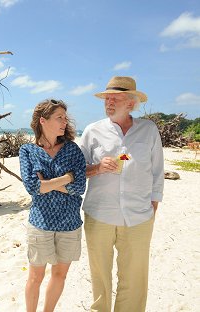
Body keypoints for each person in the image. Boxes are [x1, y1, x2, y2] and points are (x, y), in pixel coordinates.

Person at [79, 76, 164, 312]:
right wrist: (96, 168)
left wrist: (154, 204)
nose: (109, 102)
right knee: (100, 277)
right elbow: (76, 170)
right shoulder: (92, 131)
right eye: (107, 98)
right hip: (99, 214)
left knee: (135, 278)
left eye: (115, 98)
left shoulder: (148, 130)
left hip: (139, 216)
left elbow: (157, 170)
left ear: (131, 103)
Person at [19, 99, 86, 312]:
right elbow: (32, 187)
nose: (64, 122)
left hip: (70, 223)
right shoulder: (27, 151)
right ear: (43, 120)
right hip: (40, 223)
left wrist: (47, 183)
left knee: (60, 274)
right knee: (35, 276)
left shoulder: (72, 149)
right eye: (59, 118)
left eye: (65, 118)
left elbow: (80, 187)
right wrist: (67, 177)